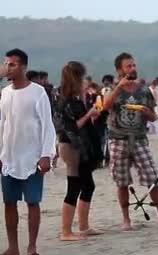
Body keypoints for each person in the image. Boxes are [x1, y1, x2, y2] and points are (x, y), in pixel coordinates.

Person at [102, 52, 158, 230]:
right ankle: (126, 220)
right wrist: (119, 87)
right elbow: (105, 106)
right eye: (128, 66)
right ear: (119, 70)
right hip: (118, 139)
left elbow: (152, 116)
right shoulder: (112, 89)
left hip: (140, 139)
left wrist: (145, 112)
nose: (133, 69)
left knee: (151, 178)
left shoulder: (143, 90)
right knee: (122, 181)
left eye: (134, 65)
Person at [0, 49, 56, 255]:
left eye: (12, 64)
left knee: (32, 202)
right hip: (9, 157)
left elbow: (47, 125)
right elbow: (3, 124)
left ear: (23, 66)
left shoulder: (38, 92)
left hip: (32, 158)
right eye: (6, 64)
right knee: (9, 202)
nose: (8, 67)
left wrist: (46, 155)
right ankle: (12, 247)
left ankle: (32, 247)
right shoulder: (5, 93)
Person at [56, 61, 107, 241]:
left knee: (87, 185)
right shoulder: (66, 102)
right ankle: (66, 231)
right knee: (74, 186)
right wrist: (88, 115)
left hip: (78, 146)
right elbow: (71, 128)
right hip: (71, 147)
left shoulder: (74, 100)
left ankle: (83, 227)